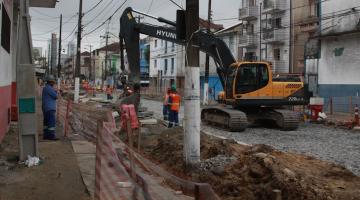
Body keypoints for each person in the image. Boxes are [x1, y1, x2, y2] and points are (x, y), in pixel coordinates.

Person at [42, 75, 58, 140]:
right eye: (53, 82)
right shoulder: (49, 88)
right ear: (50, 82)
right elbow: (55, 96)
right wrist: (57, 92)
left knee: (46, 122)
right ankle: (51, 136)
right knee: (51, 122)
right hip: (50, 108)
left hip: (46, 108)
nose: (54, 83)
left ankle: (46, 135)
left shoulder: (45, 88)